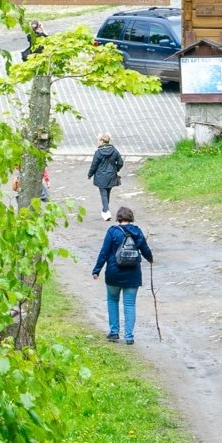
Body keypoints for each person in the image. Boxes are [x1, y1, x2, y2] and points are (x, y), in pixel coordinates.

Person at [91, 205, 152, 344]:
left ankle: (114, 332)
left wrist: (97, 270)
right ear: (131, 217)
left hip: (113, 273)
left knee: (113, 301)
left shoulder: (112, 231)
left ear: (118, 218)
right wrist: (150, 259)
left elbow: (104, 252)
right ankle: (129, 337)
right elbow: (145, 249)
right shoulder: (137, 231)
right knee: (129, 304)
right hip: (132, 274)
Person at [87, 133, 123, 220]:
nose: (97, 142)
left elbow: (94, 165)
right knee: (107, 193)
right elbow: (120, 162)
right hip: (111, 175)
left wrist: (90, 174)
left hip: (101, 176)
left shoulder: (98, 152)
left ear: (102, 141)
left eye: (98, 140)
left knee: (103, 194)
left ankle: (106, 211)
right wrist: (116, 169)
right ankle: (105, 210)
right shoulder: (114, 150)